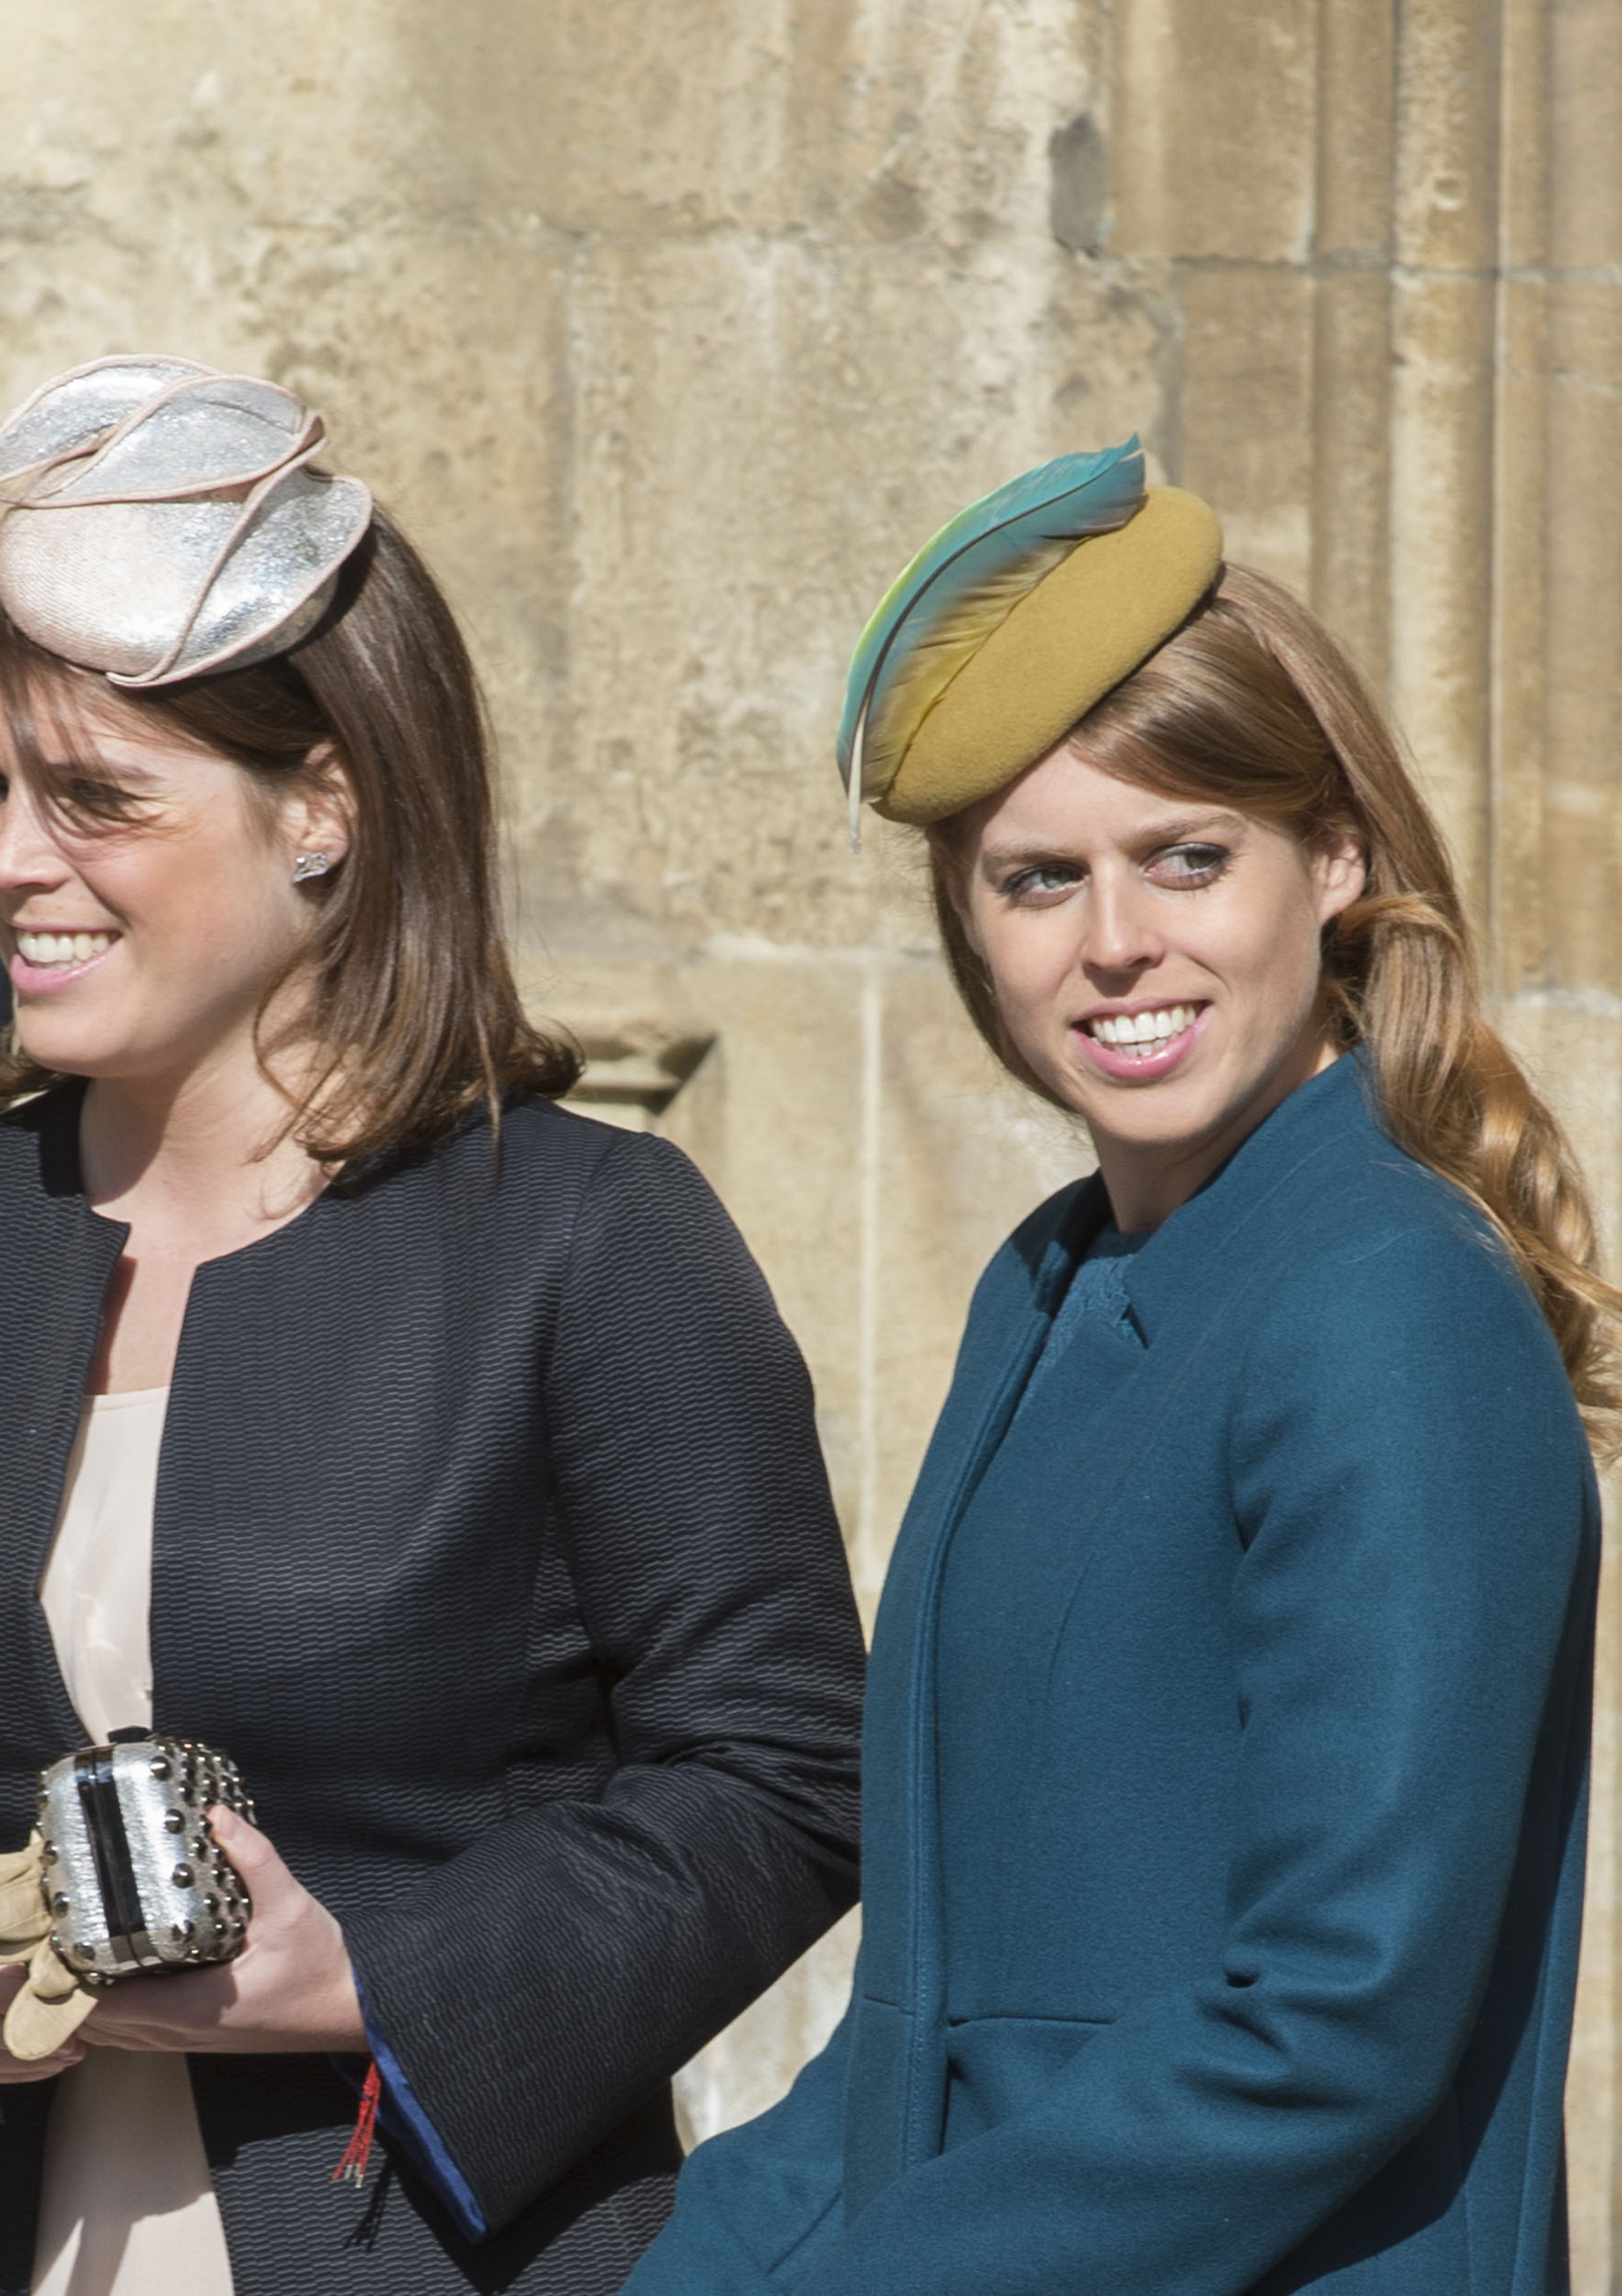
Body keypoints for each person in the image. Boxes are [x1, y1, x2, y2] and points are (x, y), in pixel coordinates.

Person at [0, 355, 869, 2296]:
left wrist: (366, 1974)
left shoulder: (586, 1239)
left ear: (321, 806)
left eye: (93, 795)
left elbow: (782, 1771)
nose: (4, 858)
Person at [625, 442, 1611, 2296]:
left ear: (1333, 859)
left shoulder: (1389, 1301)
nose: (1115, 942)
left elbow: (1332, 2020)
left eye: (1186, 855)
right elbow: (921, 2029)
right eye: (1035, 878)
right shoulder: (1050, 1286)